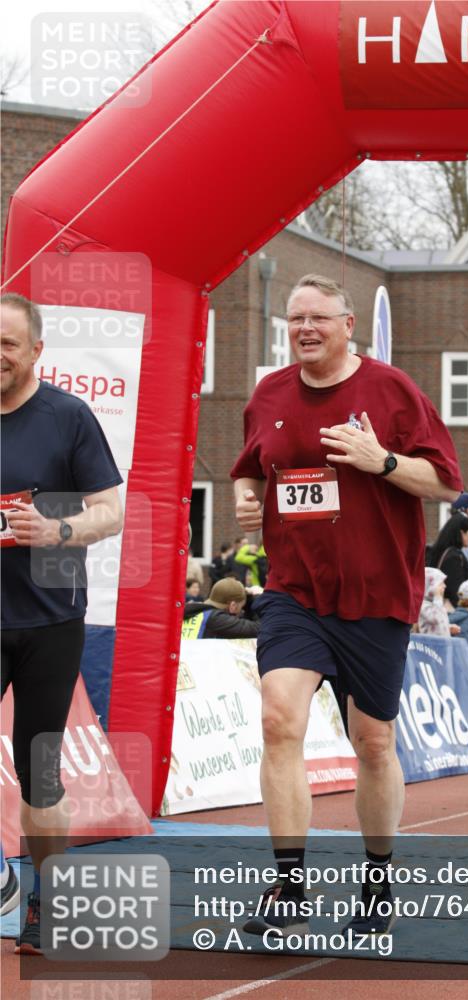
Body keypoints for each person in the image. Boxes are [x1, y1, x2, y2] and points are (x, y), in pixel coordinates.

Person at [230, 273, 462, 937]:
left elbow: (445, 481)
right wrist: (248, 495)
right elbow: (250, 462)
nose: (305, 329)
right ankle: (288, 885)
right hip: (294, 591)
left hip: (374, 594)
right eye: (295, 319)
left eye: (318, 319)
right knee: (278, 719)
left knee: (373, 741)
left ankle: (378, 872)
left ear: (346, 324)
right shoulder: (270, 392)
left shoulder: (390, 390)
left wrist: (380, 460)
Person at [1, 293, 123, 954]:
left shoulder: (67, 418)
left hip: (49, 620)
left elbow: (112, 511)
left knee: (40, 770)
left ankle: (46, 905)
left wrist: (56, 529)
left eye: (7, 344)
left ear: (37, 351)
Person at [181, 577, 260, 640]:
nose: (241, 611)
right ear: (233, 605)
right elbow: (259, 628)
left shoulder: (195, 612)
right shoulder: (217, 619)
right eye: (242, 607)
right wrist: (252, 600)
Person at [430, 514, 468, 607]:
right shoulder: (453, 558)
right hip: (455, 614)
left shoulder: (448, 553)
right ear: (462, 533)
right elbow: (456, 592)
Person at [417, 567, 460, 637]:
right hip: (432, 646)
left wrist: (447, 627)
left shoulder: (437, 603)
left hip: (442, 644)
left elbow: (438, 622)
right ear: (431, 586)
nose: (445, 586)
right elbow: (435, 618)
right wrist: (437, 597)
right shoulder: (424, 604)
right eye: (441, 583)